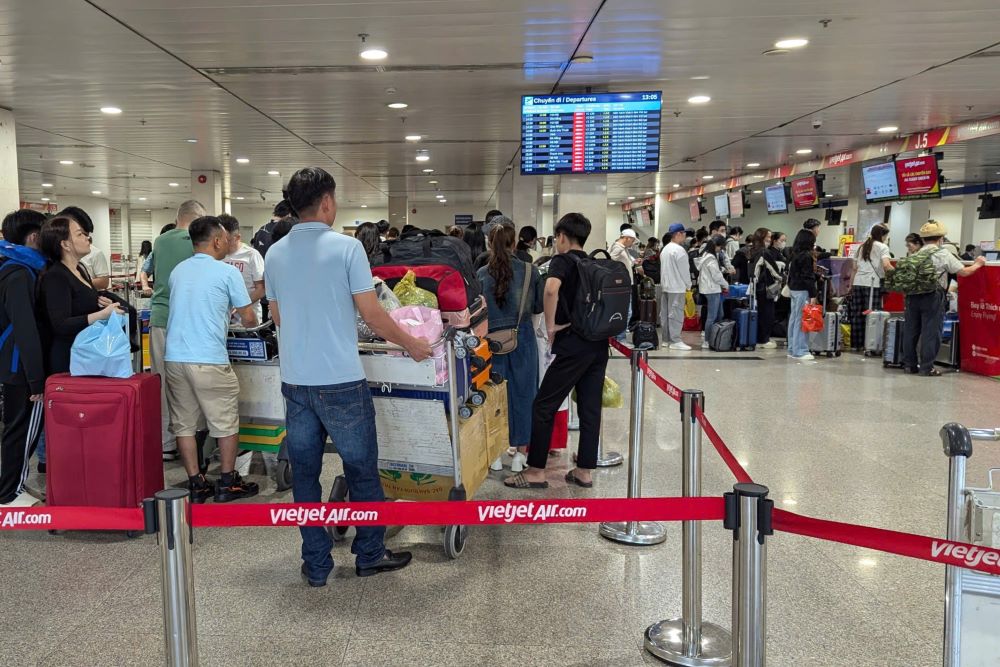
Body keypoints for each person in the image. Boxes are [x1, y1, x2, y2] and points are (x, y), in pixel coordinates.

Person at [264, 167, 431, 586]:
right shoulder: (347, 248)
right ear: (326, 201)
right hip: (340, 381)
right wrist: (411, 343)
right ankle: (369, 554)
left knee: (305, 473)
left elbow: (277, 316)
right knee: (361, 469)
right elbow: (372, 314)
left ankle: (316, 563)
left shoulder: (276, 253)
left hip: (296, 382)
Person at [503, 212, 608, 490]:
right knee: (590, 408)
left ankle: (536, 471)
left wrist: (550, 327)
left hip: (573, 345)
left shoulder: (563, 260)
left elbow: (551, 290)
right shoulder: (593, 262)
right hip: (598, 345)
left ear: (561, 236)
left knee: (543, 405)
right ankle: (584, 470)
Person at [164, 216, 259, 503]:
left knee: (184, 424)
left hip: (174, 358)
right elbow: (250, 318)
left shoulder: (178, 271)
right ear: (217, 241)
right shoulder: (227, 272)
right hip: (209, 358)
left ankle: (196, 483)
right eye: (226, 238)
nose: (229, 243)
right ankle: (228, 482)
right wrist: (239, 314)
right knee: (225, 421)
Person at [477, 224, 542, 473]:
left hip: (490, 342)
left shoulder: (481, 273)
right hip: (522, 337)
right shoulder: (530, 271)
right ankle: (520, 455)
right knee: (524, 395)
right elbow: (537, 307)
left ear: (489, 244)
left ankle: (495, 454)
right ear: (514, 243)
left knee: (494, 396)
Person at [150, 200, 207, 461]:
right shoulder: (197, 241)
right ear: (198, 219)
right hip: (190, 321)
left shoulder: (160, 241)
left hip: (161, 318)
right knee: (195, 382)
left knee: (163, 381)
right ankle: (196, 439)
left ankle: (166, 443)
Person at [0, 210, 48, 507]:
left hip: (15, 364)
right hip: (20, 366)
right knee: (21, 430)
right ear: (33, 237)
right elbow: (25, 329)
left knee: (17, 429)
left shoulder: (12, 267)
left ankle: (12, 487)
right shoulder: (20, 273)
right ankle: (9, 493)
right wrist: (36, 379)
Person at [38, 216, 126, 376]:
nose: (87, 238)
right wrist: (102, 314)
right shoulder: (56, 276)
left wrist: (102, 305)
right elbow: (61, 324)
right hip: (69, 358)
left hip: (87, 353)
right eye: (80, 234)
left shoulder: (80, 270)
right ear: (65, 244)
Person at [902, 221, 986, 377]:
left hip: (912, 296)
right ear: (940, 238)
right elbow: (964, 272)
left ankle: (909, 365)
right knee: (931, 332)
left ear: (923, 239)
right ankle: (926, 368)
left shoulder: (916, 254)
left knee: (911, 331)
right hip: (932, 296)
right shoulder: (943, 253)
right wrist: (978, 264)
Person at [847, 224, 892, 351]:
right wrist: (898, 274)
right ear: (882, 235)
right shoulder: (883, 247)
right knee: (872, 314)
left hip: (858, 283)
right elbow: (886, 265)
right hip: (872, 284)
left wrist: (850, 285)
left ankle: (856, 345)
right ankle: (871, 345)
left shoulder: (861, 247)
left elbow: (854, 268)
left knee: (857, 314)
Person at [219, 214, 266, 324]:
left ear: (237, 237)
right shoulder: (217, 255)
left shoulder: (251, 255)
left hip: (248, 320)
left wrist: (240, 305)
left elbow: (261, 289)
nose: (223, 244)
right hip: (223, 320)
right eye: (220, 240)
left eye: (227, 240)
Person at [58, 206, 110, 291]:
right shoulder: (55, 271)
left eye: (86, 235)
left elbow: (103, 282)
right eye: (79, 234)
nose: (87, 239)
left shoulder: (80, 267)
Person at [787, 230, 819, 361]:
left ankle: (792, 348)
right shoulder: (806, 256)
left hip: (793, 289)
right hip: (802, 290)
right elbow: (807, 277)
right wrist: (813, 294)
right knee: (802, 320)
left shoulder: (794, 254)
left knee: (794, 319)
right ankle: (800, 350)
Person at [660, 223, 692, 350]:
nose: (685, 236)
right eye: (684, 233)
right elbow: (684, 271)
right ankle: (675, 340)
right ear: (678, 234)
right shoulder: (679, 250)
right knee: (676, 313)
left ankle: (666, 339)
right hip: (677, 287)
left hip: (665, 286)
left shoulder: (665, 249)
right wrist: (689, 285)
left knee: (665, 314)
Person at [749, 227, 781, 349]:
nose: (770, 239)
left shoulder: (752, 250)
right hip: (766, 288)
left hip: (755, 287)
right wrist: (782, 278)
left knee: (760, 314)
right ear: (762, 238)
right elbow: (774, 271)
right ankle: (764, 340)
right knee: (768, 314)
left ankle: (758, 338)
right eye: (768, 237)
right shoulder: (765, 252)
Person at [695, 237, 729, 346]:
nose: (720, 249)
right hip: (712, 290)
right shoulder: (711, 258)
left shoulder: (705, 256)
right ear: (716, 246)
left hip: (709, 289)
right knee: (712, 317)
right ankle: (707, 341)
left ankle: (716, 338)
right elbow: (716, 276)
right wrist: (725, 284)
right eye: (720, 247)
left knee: (719, 314)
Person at [140, 223, 176, 297]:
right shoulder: (156, 252)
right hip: (161, 295)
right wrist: (145, 286)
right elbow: (144, 272)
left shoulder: (187, 251)